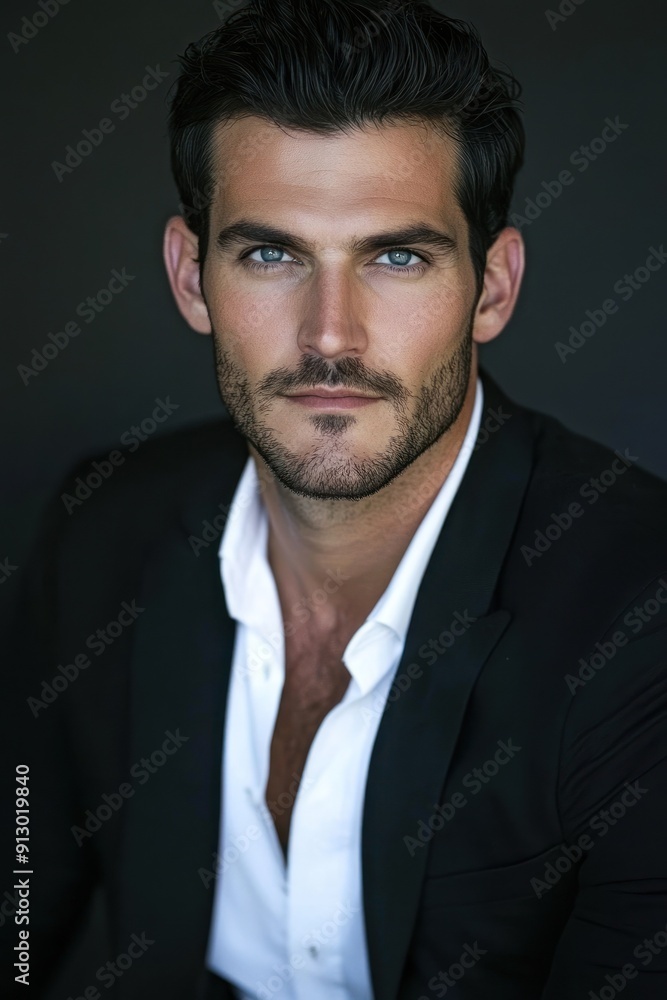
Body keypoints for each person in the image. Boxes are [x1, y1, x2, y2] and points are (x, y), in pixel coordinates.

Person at [4, 1, 667, 997]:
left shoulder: (641, 623)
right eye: (270, 254)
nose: (328, 336)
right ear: (190, 276)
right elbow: (19, 901)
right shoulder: (105, 528)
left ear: (491, 288)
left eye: (396, 256)